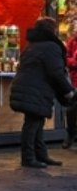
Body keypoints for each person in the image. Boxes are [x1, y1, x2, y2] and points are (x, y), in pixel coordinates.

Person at [9, 16, 76, 169]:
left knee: (36, 122)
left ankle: (40, 154)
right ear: (52, 30)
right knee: (32, 124)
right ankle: (28, 157)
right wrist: (69, 91)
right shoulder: (51, 47)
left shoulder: (32, 45)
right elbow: (56, 73)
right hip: (36, 89)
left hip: (28, 87)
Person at [64, 22, 77, 149]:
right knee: (72, 109)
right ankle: (71, 133)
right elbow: (66, 58)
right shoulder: (72, 42)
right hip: (75, 80)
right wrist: (74, 62)